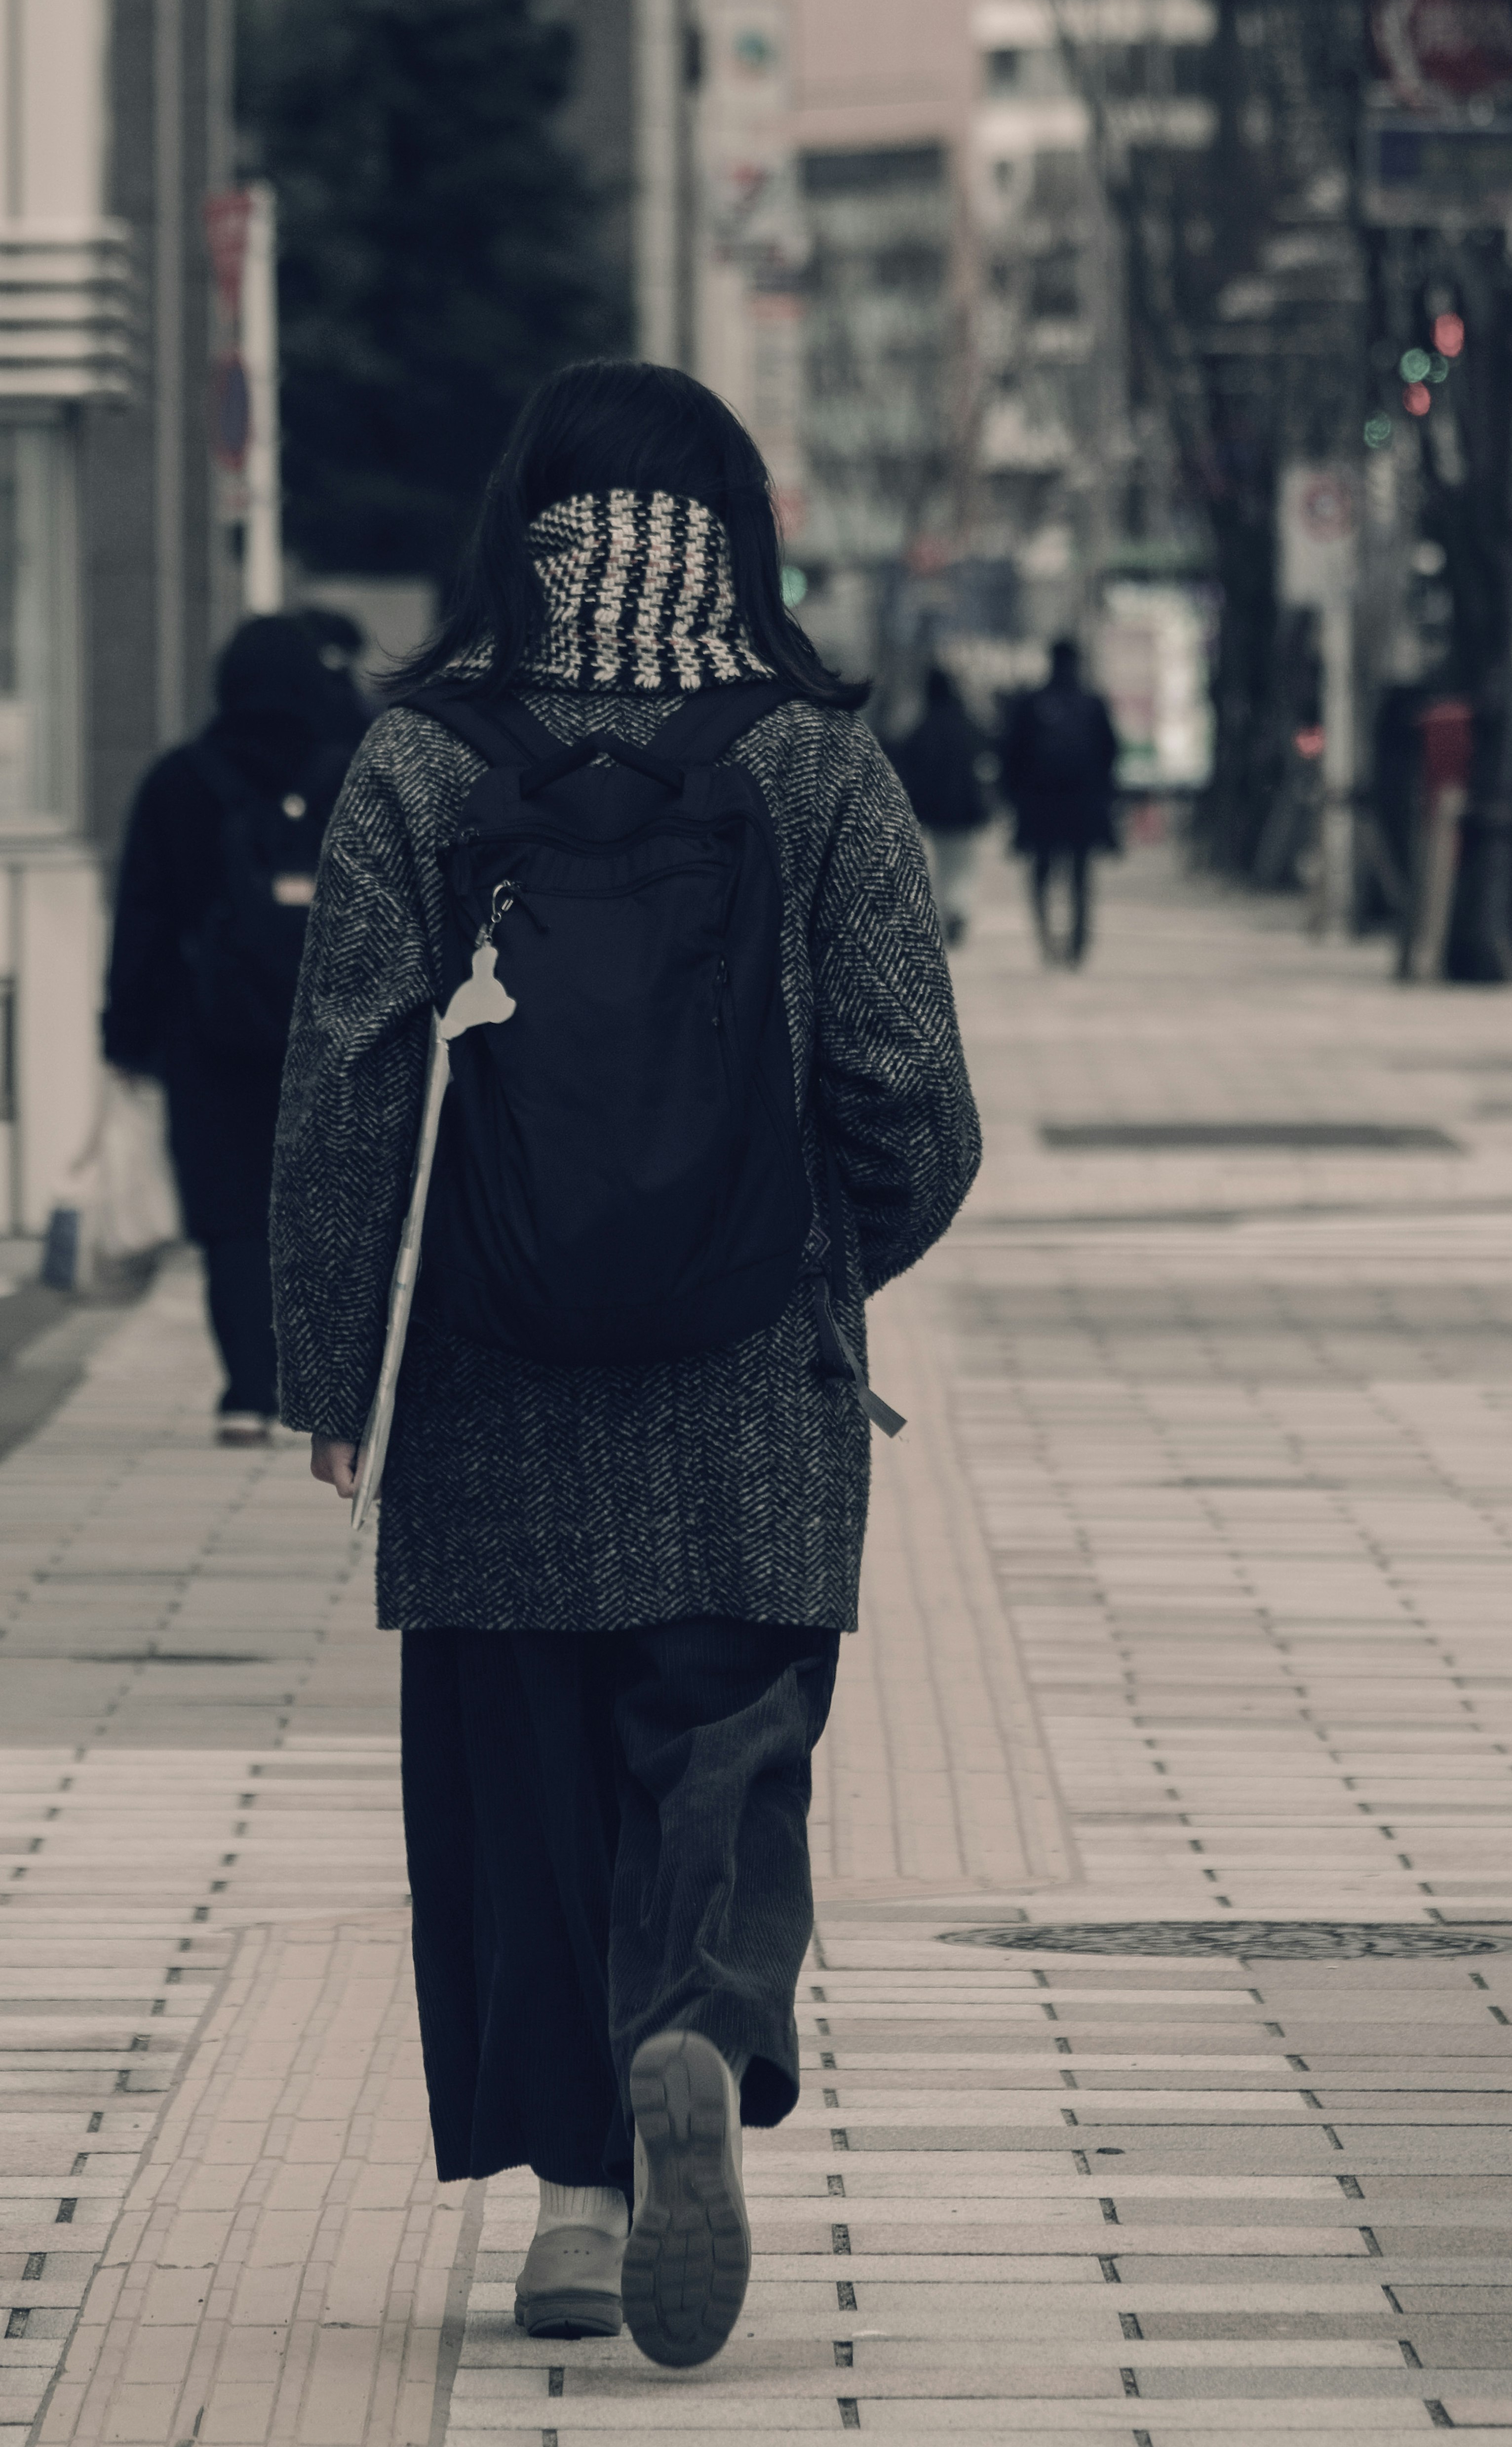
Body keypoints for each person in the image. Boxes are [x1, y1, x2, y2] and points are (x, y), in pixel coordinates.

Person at [269, 359, 980, 2372]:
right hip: (752, 1386)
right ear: (735, 530)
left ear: (528, 519)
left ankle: (579, 2214)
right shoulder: (817, 765)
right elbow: (912, 1100)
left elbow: (345, 1091)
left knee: (529, 1790)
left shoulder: (421, 758)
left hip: (493, 1389)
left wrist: (334, 1366)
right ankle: (697, 2026)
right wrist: (818, 1270)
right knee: (724, 1760)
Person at [101, 614, 365, 1443]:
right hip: (331, 1029)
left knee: (232, 1214)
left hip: (208, 1029)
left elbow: (142, 914)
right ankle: (328, 1388)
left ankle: (249, 1393)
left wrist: (126, 1032)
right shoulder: (353, 773)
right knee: (328, 1208)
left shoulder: (182, 779)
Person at [999, 635, 1119, 966]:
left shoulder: (1031, 702)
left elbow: (1012, 754)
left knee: (1041, 874)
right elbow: (1110, 753)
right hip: (1082, 803)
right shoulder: (1092, 702)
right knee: (1080, 877)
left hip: (1040, 803)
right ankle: (1077, 946)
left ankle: (1047, 942)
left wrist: (1013, 799)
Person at [888, 663, 990, 944]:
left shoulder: (922, 725)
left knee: (942, 862)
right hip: (965, 808)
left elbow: (902, 760)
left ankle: (946, 912)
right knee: (964, 862)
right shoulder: (966, 723)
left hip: (933, 809)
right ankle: (958, 909)